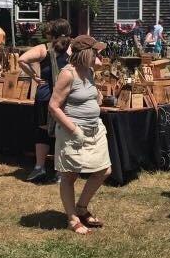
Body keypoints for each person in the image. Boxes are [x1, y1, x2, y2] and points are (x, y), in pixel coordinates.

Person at [49, 35, 111, 235]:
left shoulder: (89, 71)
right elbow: (53, 106)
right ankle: (72, 218)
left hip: (94, 129)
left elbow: (87, 96)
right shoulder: (67, 74)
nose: (99, 55)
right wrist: (74, 131)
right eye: (96, 52)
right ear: (86, 53)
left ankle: (81, 207)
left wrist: (97, 97)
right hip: (73, 132)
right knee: (70, 175)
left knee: (104, 170)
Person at [17, 18, 72, 183]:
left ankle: (39, 168)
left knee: (42, 131)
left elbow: (21, 59)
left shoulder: (43, 48)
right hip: (65, 95)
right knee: (62, 132)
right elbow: (96, 62)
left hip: (45, 94)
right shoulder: (72, 48)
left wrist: (34, 76)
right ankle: (60, 171)